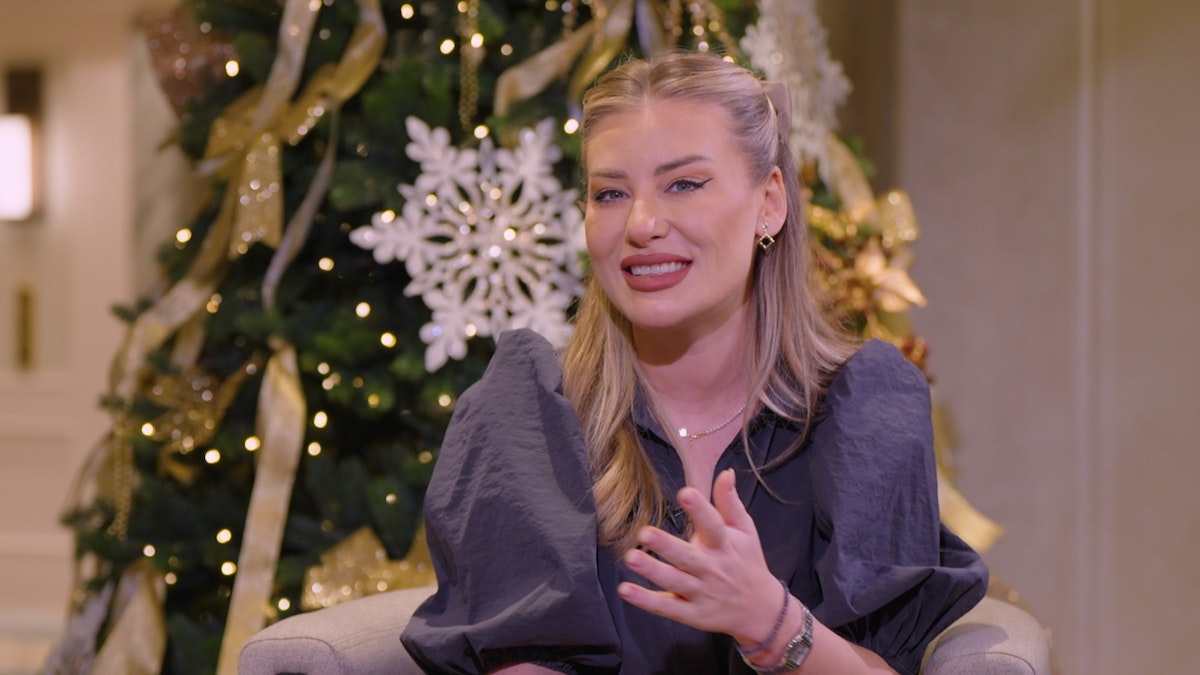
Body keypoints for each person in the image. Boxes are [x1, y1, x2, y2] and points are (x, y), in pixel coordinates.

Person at [400, 50, 987, 674]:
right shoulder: (528, 415)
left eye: (684, 184)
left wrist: (772, 624)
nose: (642, 224)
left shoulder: (865, 405)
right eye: (610, 193)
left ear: (769, 203)